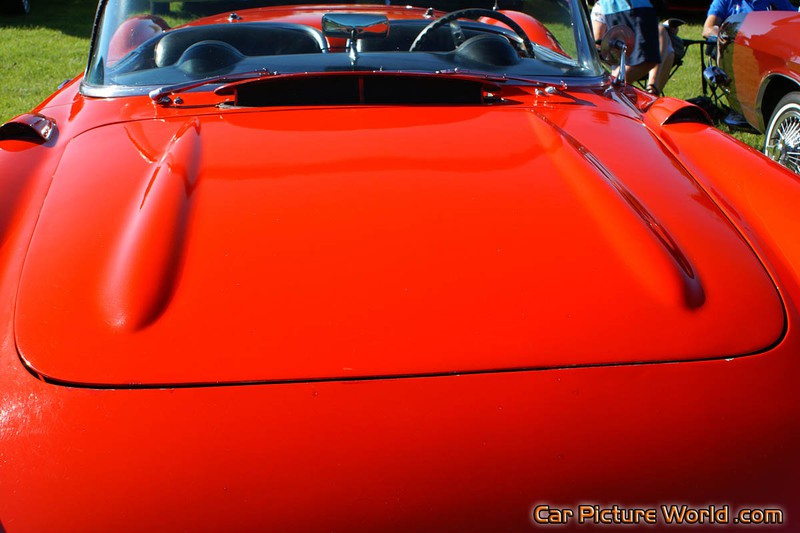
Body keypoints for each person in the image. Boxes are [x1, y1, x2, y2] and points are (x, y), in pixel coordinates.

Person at [591, 1, 671, 96]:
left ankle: (614, 93)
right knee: (647, 59)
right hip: (629, 7)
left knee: (649, 58)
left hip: (633, 7)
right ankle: (611, 93)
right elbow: (597, 40)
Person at [703, 0, 796, 38]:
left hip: (768, 49)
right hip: (734, 51)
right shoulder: (725, 1)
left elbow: (794, 19)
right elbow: (708, 28)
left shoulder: (776, 1)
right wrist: (723, 37)